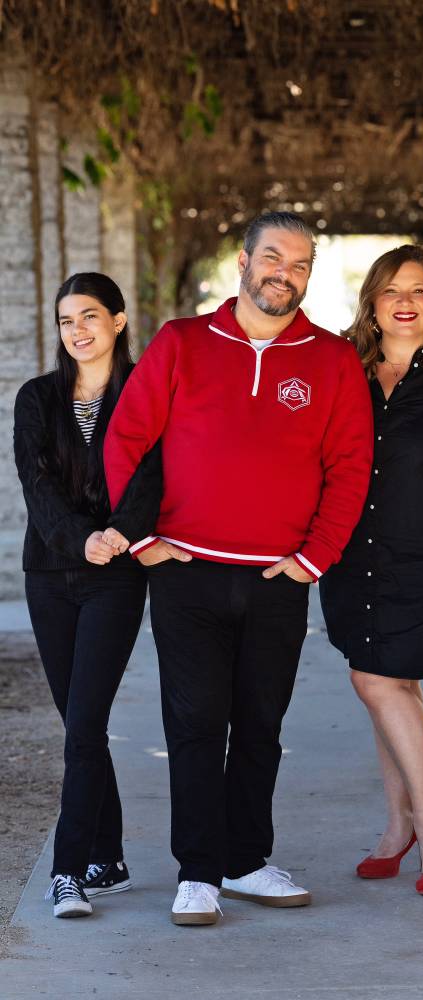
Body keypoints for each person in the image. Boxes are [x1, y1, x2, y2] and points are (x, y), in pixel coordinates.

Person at [104, 211, 373, 926]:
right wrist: (142, 540)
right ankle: (198, 871)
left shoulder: (332, 358)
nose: (284, 272)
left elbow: (350, 467)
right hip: (185, 572)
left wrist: (314, 557)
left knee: (260, 724)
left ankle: (247, 860)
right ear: (245, 263)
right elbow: (127, 438)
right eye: (273, 257)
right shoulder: (184, 342)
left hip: (276, 579)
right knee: (194, 721)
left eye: (300, 263)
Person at [319, 245, 423, 894]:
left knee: (378, 682)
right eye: (390, 290)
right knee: (390, 689)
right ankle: (398, 825)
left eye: (418, 290)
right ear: (373, 304)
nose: (404, 300)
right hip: (353, 557)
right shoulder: (341, 370)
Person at [14, 273, 161, 919]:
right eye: (67, 319)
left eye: (91, 315)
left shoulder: (145, 395)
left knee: (87, 721)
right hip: (49, 573)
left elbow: (154, 478)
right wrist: (81, 539)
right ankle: (111, 857)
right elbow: (36, 481)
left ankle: (67, 871)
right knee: (80, 725)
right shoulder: (36, 398)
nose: (78, 329)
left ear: (120, 321)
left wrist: (118, 536)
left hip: (116, 577)